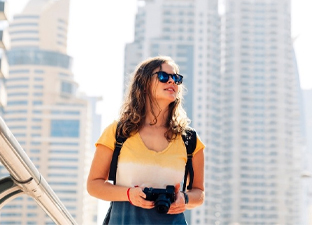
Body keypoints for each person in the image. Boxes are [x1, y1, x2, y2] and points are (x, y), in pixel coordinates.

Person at [87, 56, 205, 225]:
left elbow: (199, 193)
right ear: (144, 84)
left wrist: (184, 198)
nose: (172, 81)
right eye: (164, 76)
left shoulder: (190, 139)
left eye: (176, 78)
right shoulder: (118, 132)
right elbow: (93, 185)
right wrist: (128, 194)